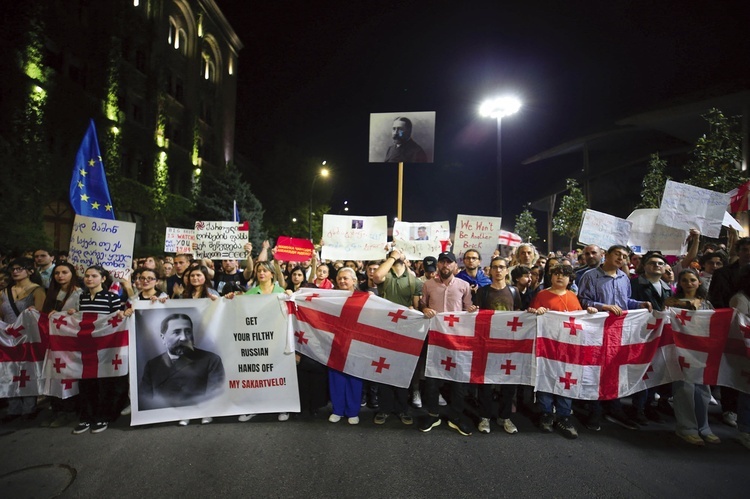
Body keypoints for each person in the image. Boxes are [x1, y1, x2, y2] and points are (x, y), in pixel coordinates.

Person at [578, 244, 652, 431]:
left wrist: (640, 303)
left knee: (614, 369)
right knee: (595, 370)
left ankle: (614, 407)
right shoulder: (590, 276)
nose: (621, 258)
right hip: (596, 331)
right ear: (607, 255)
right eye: (617, 254)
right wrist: (605, 306)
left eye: (624, 256)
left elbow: (625, 302)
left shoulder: (623, 278)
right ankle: (594, 410)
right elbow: (583, 301)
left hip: (618, 332)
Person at [528, 264, 598, 439]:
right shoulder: (542, 295)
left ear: (570, 279)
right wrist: (537, 312)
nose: (560, 277)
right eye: (556, 274)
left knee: (567, 379)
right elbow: (531, 315)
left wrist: (589, 313)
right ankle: (546, 413)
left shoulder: (572, 297)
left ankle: (564, 415)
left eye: (564, 275)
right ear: (551, 277)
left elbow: (580, 321)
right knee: (546, 376)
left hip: (568, 348)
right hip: (547, 347)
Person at [419, 251, 477, 436]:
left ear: (454, 266)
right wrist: (425, 308)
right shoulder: (428, 285)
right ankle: (433, 413)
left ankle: (456, 416)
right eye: (442, 262)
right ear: (438, 265)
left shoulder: (464, 285)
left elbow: (468, 308)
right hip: (435, 338)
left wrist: (472, 310)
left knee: (458, 378)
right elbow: (422, 304)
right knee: (432, 378)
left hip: (457, 339)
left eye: (448, 263)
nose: (445, 266)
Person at [68, 265, 127, 434]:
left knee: (104, 384)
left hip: (106, 347)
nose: (89, 279)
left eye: (94, 276)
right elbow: (83, 319)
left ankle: (103, 417)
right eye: (87, 276)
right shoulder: (82, 297)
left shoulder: (112, 298)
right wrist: (74, 313)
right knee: (86, 382)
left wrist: (120, 315)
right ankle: (87, 417)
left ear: (103, 279)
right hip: (86, 347)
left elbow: (117, 321)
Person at [665, 269, 720, 446]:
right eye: (685, 280)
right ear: (679, 283)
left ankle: (704, 428)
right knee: (684, 389)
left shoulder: (706, 304)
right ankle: (686, 428)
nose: (689, 283)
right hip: (680, 352)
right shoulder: (671, 303)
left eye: (692, 280)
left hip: (701, 352)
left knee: (703, 390)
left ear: (699, 282)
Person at [370, 248, 422, 426]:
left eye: (401, 252)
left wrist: (415, 311)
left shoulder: (414, 280)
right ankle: (384, 409)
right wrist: (392, 257)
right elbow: (377, 276)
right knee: (383, 368)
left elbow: (417, 306)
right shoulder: (386, 275)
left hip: (405, 330)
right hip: (385, 328)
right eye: (394, 253)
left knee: (402, 369)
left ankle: (402, 409)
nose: (398, 253)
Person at [473, 256, 521, 435]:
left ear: (507, 270)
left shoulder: (514, 292)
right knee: (485, 381)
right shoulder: (483, 292)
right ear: (490, 270)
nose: (498, 270)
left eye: (502, 267)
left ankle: (505, 416)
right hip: (487, 342)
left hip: (509, 344)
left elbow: (518, 314)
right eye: (495, 267)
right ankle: (484, 416)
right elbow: (477, 315)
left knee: (509, 382)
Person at [139, 313, 225, 412]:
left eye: (188, 331)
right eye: (176, 332)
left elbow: (215, 397)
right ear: (163, 338)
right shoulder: (152, 365)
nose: (184, 338)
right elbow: (145, 400)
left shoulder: (211, 360)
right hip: (164, 418)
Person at [708, 235, 750, 428]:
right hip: (729, 327)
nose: (748, 253)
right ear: (738, 251)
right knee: (731, 366)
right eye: (744, 249)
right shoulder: (723, 273)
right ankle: (729, 408)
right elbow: (716, 298)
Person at [629, 251, 673, 424]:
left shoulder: (668, 289)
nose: (656, 266)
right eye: (652, 263)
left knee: (655, 370)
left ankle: (649, 406)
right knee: (642, 371)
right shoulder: (635, 284)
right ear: (645, 266)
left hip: (660, 335)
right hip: (642, 334)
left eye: (660, 264)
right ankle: (637, 408)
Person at [0, 257, 46, 423]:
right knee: (9, 371)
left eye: (20, 268)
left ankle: (29, 407)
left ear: (30, 271)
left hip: (28, 337)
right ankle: (13, 408)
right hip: (7, 338)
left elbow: (39, 315)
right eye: (13, 269)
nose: (15, 271)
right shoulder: (4, 292)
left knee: (28, 370)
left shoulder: (37, 290)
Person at [327, 267, 365, 425]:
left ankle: (353, 411)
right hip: (335, 341)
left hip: (356, 342)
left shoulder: (364, 298)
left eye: (346, 278)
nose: (342, 281)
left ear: (354, 281)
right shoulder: (330, 297)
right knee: (336, 378)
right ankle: (337, 410)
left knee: (354, 378)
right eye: (340, 278)